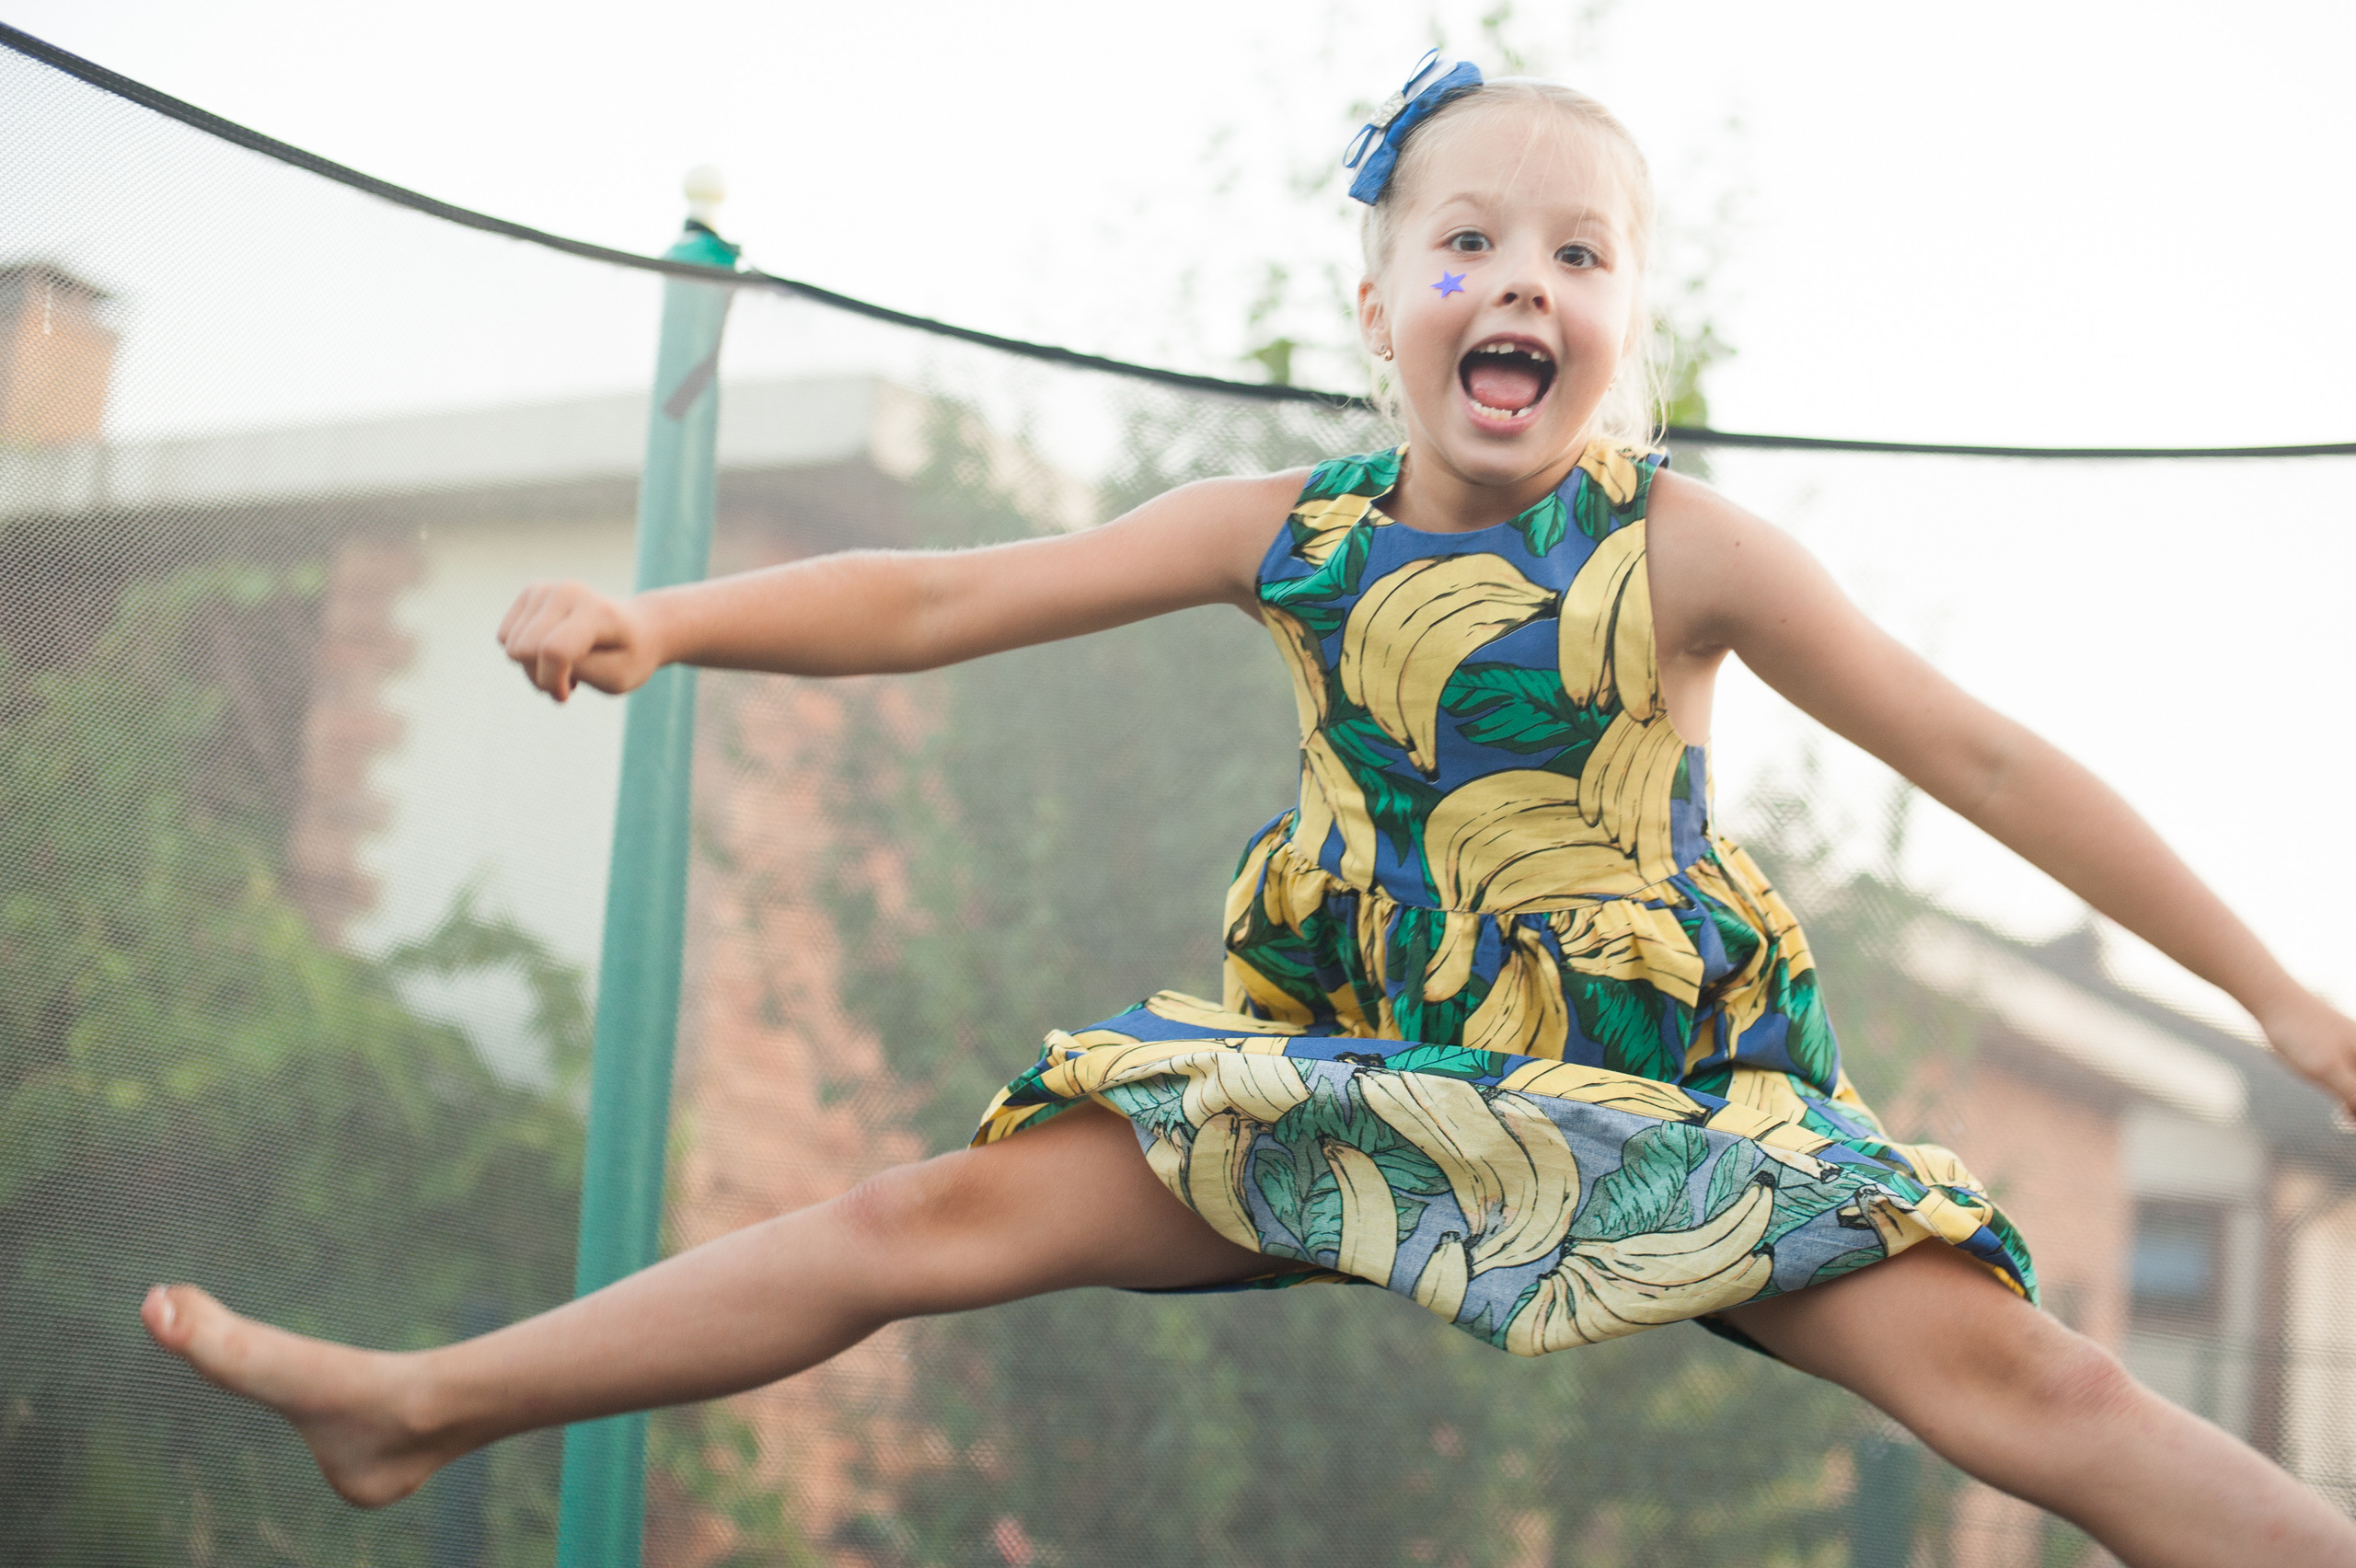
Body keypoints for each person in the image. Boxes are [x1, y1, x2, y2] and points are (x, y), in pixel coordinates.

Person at [143, 58, 2356, 1566]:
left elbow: (1976, 757)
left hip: (1656, 1099)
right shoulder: (1279, 528)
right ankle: (420, 1404)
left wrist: (2269, 994)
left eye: (1579, 257)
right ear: (1376, 301)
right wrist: (665, 620)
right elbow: (939, 591)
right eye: (1469, 242)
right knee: (916, 1223)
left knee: (2028, 1392)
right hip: (1356, 1075)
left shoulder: (1691, 552)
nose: (1522, 283)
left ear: (1629, 330)